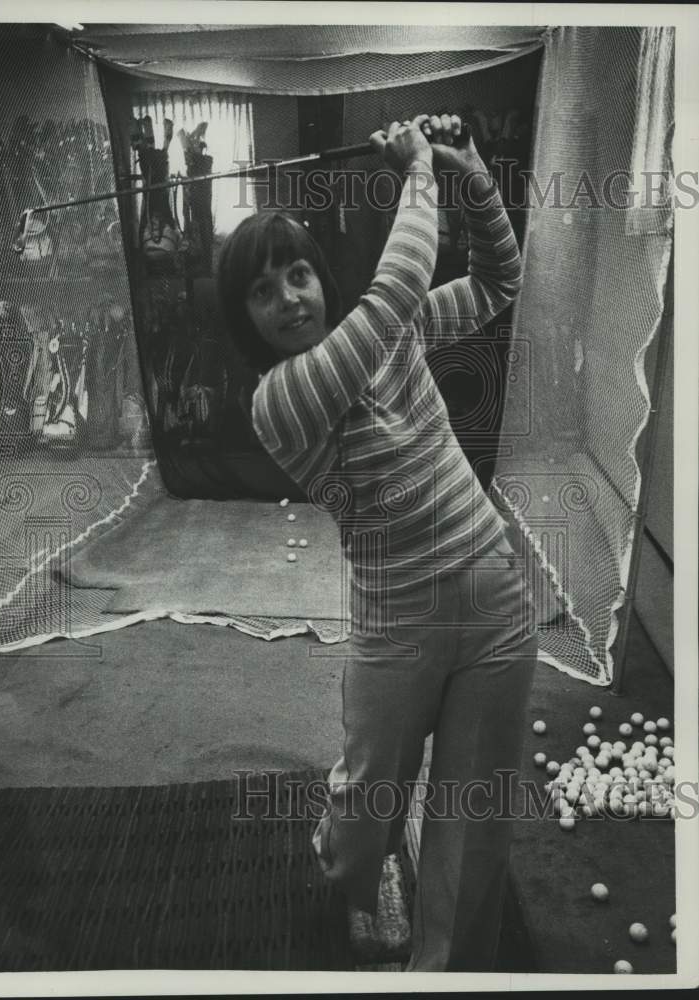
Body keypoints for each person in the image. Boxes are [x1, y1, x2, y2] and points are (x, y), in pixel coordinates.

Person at [217, 113, 538, 972]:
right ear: (245, 317)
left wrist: (466, 169)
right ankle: (359, 875)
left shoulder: (389, 332)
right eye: (263, 290)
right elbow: (394, 292)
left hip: (494, 590)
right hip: (395, 622)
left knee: (472, 824)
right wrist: (418, 173)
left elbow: (499, 279)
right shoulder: (280, 399)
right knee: (363, 825)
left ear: (320, 279)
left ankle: (442, 977)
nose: (289, 297)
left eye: (297, 275)